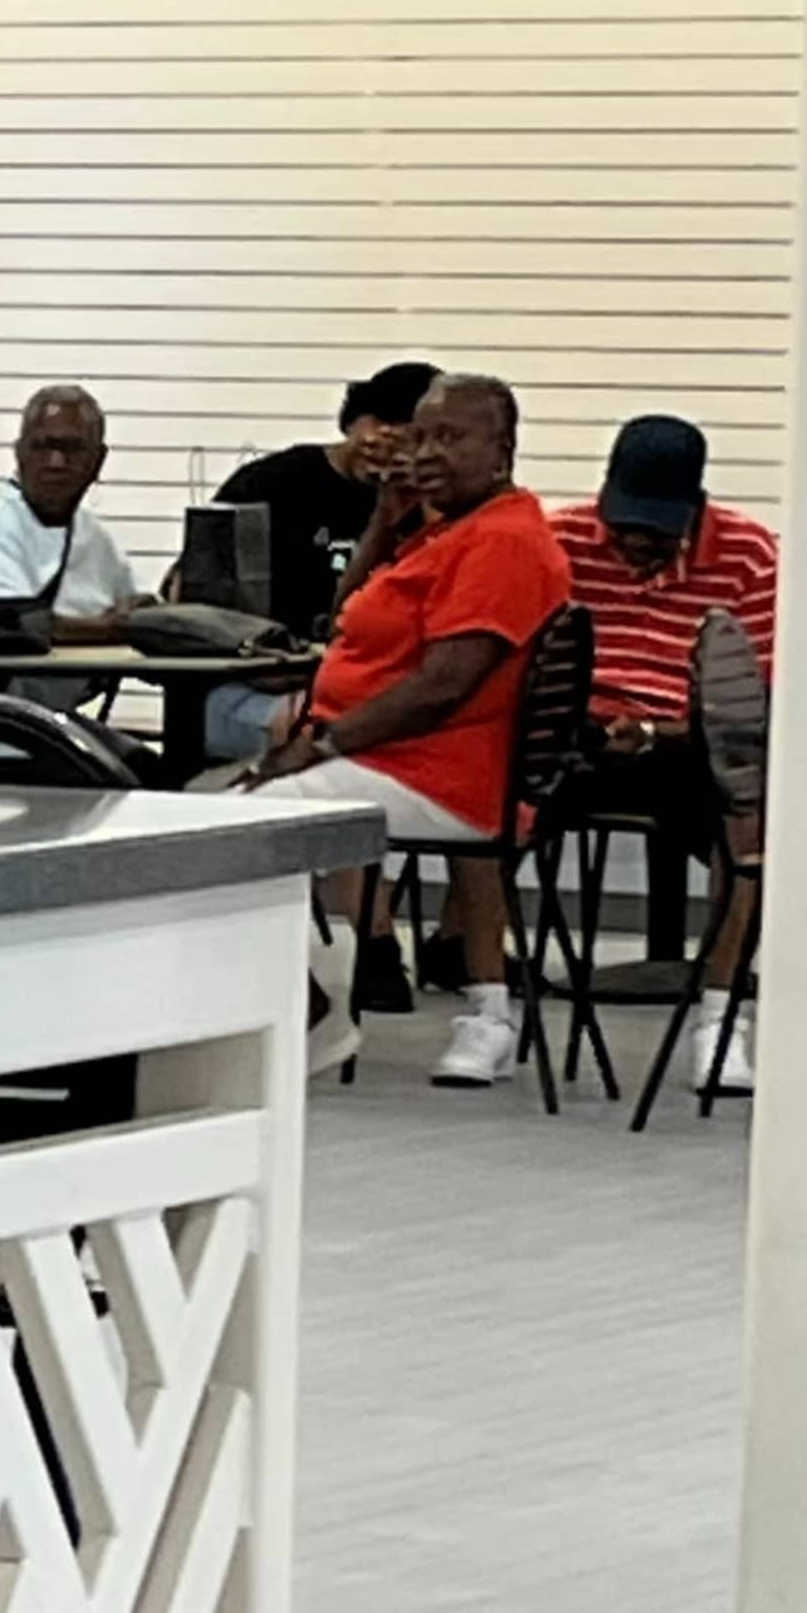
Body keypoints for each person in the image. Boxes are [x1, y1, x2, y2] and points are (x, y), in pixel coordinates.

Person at [245, 368, 570, 1089]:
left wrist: (321, 744)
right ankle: (312, 997)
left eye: (451, 437)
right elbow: (343, 619)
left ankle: (313, 1005)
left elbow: (442, 687)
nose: (427, 452)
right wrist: (385, 517)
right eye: (421, 435)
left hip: (442, 773)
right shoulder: (440, 529)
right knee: (220, 814)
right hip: (398, 756)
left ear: (503, 451)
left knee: (243, 832)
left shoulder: (504, 540)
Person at [550, 413, 774, 1099]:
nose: (637, 544)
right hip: (579, 732)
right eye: (626, 526)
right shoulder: (559, 541)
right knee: (494, 786)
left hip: (688, 739)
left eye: (657, 529)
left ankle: (719, 1020)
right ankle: (486, 1000)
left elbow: (755, 698)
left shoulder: (748, 556)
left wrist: (658, 732)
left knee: (748, 819)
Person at [202, 359, 436, 639]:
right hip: (260, 657)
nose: (379, 445)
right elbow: (198, 579)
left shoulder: (430, 501)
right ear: (351, 421)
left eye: (407, 440)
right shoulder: (271, 481)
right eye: (377, 423)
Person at [0, 384, 135, 634]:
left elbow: (137, 604)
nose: (56, 462)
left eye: (72, 448)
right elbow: (11, 629)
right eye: (42, 446)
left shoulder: (91, 532)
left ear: (98, 460)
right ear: (19, 453)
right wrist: (109, 627)